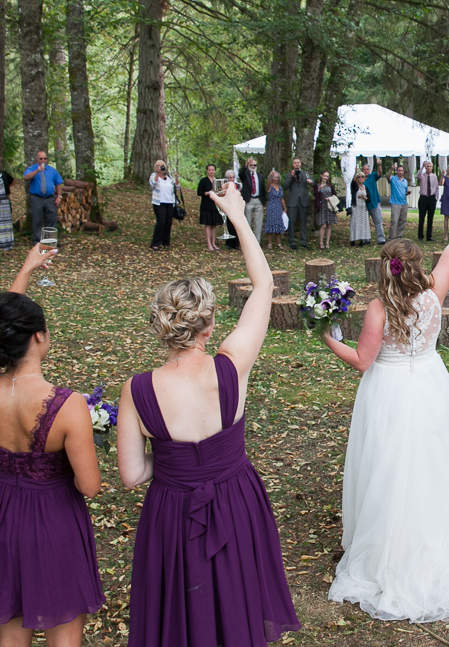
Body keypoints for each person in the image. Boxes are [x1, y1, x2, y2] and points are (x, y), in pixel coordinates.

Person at [324, 184, 449, 621]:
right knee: (435, 462)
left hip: (389, 391)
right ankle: (439, 539)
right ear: (414, 266)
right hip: (431, 384)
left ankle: (392, 552)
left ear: (386, 270)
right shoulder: (434, 292)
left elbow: (362, 361)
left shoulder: (379, 309)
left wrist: (327, 338)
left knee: (390, 466)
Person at [116, 182, 300, 645]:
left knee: (182, 612)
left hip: (171, 512)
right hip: (236, 500)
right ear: (211, 323)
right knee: (236, 600)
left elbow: (132, 474)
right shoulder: (231, 365)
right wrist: (237, 215)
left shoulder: (137, 391)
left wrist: (177, 460)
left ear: (162, 325)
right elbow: (264, 286)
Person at [0, 245, 104, 646]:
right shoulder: (67, 406)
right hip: (53, 522)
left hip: (5, 516)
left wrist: (25, 269)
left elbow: (5, 319)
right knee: (64, 634)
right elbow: (90, 486)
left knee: (9, 630)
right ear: (40, 336)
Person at [22, 151, 63, 244]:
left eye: (45, 158)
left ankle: (51, 240)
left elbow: (58, 182)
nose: (43, 160)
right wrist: (38, 170)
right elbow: (26, 177)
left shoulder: (52, 170)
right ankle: (37, 241)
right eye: (41, 159)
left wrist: (59, 196)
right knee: (37, 219)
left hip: (50, 198)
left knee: (51, 219)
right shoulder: (32, 169)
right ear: (37, 159)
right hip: (37, 198)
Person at [284, 157, 313, 250]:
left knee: (303, 222)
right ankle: (291, 241)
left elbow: (312, 182)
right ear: (292, 164)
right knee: (291, 222)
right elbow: (285, 186)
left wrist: (310, 181)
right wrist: (291, 177)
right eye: (295, 163)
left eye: (298, 163)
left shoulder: (305, 173)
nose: (297, 164)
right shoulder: (289, 174)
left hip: (303, 201)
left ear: (300, 164)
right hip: (293, 201)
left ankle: (303, 242)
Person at [149, 160, 177, 251]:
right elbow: (152, 183)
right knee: (161, 222)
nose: (160, 167)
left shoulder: (169, 177)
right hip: (159, 202)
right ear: (156, 167)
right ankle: (155, 243)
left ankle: (166, 242)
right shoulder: (154, 176)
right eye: (158, 166)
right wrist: (158, 174)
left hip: (169, 202)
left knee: (168, 222)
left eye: (162, 166)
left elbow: (177, 186)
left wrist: (176, 178)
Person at [238, 157, 265, 243]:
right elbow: (240, 173)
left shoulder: (260, 176)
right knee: (247, 222)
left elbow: (262, 188)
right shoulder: (245, 175)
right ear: (248, 165)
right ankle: (247, 242)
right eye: (251, 165)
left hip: (258, 200)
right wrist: (245, 165)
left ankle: (257, 242)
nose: (253, 166)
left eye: (255, 165)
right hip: (248, 200)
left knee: (258, 223)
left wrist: (263, 201)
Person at [361, 160, 387, 245]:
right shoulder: (360, 179)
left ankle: (381, 239)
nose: (366, 171)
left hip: (375, 202)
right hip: (364, 204)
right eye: (364, 169)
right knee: (365, 222)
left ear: (369, 170)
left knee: (378, 221)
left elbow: (379, 172)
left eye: (367, 169)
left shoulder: (372, 176)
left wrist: (379, 164)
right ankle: (366, 239)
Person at [198, 164, 223, 251]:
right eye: (209, 170)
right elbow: (199, 192)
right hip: (206, 205)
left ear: (215, 171)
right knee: (208, 224)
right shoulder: (203, 181)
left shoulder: (218, 181)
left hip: (215, 205)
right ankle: (208, 243)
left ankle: (213, 243)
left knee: (214, 225)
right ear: (207, 171)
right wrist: (209, 192)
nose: (211, 171)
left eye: (213, 170)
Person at [263, 170, 286, 250]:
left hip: (278, 207)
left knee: (278, 224)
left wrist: (284, 208)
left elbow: (282, 198)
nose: (275, 178)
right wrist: (270, 176)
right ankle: (269, 243)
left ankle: (278, 243)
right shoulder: (270, 186)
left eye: (277, 177)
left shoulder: (280, 187)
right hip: (271, 206)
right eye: (274, 177)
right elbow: (267, 185)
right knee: (271, 224)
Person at [416, 160, 438, 242]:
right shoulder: (422, 175)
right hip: (423, 198)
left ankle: (429, 236)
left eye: (430, 167)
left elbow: (436, 188)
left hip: (431, 198)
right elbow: (417, 176)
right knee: (421, 218)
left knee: (430, 218)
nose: (428, 168)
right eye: (427, 166)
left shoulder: (434, 176)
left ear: (432, 168)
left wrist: (436, 198)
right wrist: (422, 167)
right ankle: (420, 236)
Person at [349, 171, 372, 247]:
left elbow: (369, 198)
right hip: (356, 208)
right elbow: (352, 182)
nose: (361, 178)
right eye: (359, 177)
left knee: (363, 223)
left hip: (363, 208)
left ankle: (362, 239)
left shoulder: (365, 187)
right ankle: (353, 240)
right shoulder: (355, 186)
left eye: (362, 177)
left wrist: (364, 197)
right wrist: (356, 172)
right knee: (355, 223)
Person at [315, 171, 337, 250]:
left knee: (329, 225)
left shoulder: (330, 186)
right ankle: (321, 242)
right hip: (322, 207)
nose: (325, 177)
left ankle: (327, 242)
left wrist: (330, 199)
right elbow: (316, 196)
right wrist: (319, 188)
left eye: (327, 176)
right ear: (321, 176)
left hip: (329, 206)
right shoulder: (317, 185)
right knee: (323, 225)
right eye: (324, 176)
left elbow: (335, 195)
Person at [388, 164, 410, 241]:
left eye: (401, 170)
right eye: (399, 170)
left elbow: (405, 191)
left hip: (404, 203)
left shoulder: (405, 181)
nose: (400, 172)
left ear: (403, 172)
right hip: (395, 203)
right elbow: (388, 177)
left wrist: (407, 193)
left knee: (403, 221)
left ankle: (399, 236)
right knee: (394, 221)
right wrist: (391, 169)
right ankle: (391, 237)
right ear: (396, 171)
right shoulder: (393, 179)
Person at [222, 170, 241, 250]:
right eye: (230, 177)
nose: (232, 179)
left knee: (236, 226)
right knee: (229, 226)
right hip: (228, 206)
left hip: (236, 207)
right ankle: (229, 243)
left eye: (233, 177)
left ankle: (236, 244)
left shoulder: (238, 186)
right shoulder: (224, 186)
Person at [0, 168, 14, 251]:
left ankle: (7, 243)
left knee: (5, 222)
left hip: (4, 201)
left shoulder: (4, 174)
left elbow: (11, 181)